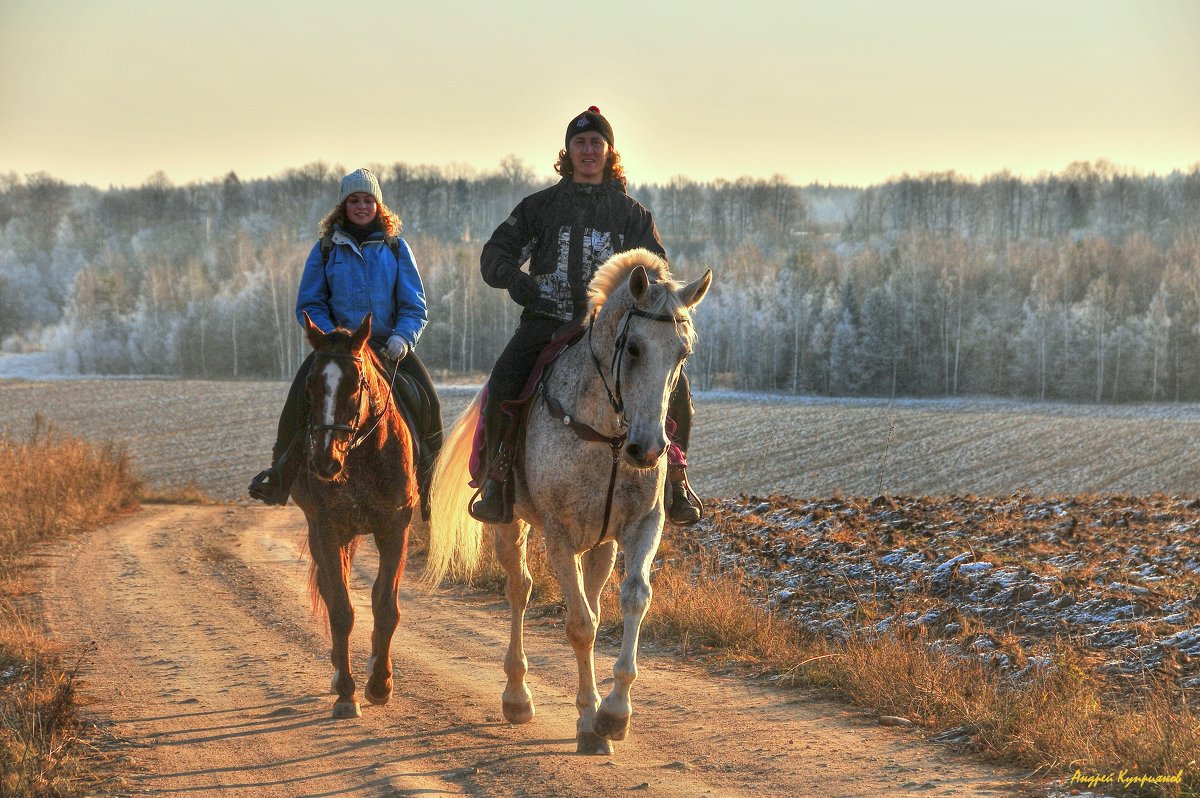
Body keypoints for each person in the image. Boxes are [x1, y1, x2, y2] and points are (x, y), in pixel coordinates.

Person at [470, 106, 702, 525]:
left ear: (609, 151)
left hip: (614, 332)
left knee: (679, 391)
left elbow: (658, 276)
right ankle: (498, 479)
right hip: (547, 321)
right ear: (568, 150)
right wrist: (515, 281)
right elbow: (494, 254)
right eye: (580, 142)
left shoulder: (632, 215)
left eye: (597, 142)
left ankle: (676, 481)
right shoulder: (539, 207)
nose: (588, 149)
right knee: (504, 378)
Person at [249, 168, 442, 509]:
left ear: (378, 205)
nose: (362, 206)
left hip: (388, 348)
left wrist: (403, 337)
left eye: (368, 200)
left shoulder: (396, 249)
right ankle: (280, 476)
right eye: (354, 200)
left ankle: (433, 486)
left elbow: (415, 305)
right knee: (297, 401)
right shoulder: (325, 250)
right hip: (337, 352)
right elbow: (310, 303)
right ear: (343, 206)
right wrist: (330, 340)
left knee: (428, 403)